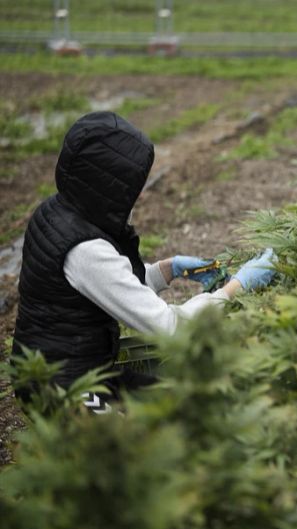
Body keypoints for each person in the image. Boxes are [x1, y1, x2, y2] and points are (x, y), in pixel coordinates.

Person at [11, 111, 277, 412]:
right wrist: (236, 287)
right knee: (152, 445)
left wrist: (169, 268)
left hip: (84, 367)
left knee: (183, 400)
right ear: (106, 185)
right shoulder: (85, 249)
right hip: (59, 386)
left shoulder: (58, 211)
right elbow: (169, 326)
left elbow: (110, 287)